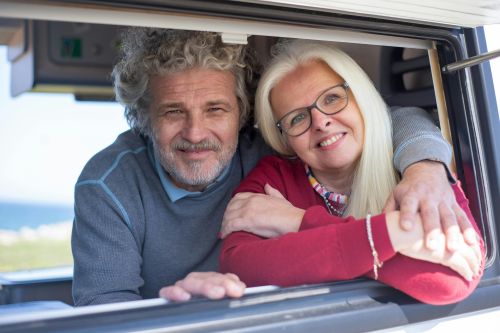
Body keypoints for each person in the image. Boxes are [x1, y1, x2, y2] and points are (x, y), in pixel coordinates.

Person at [71, 27, 475, 306]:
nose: (195, 133)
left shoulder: (272, 148)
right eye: (173, 112)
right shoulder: (109, 185)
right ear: (144, 119)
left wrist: (426, 166)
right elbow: (105, 313)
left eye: (215, 109)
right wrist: (400, 234)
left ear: (241, 115)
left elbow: (388, 120)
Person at [218, 40, 485, 305]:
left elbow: (452, 280)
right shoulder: (273, 179)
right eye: (297, 118)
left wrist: (297, 222)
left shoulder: (420, 171)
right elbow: (240, 266)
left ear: (361, 97)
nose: (320, 122)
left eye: (332, 98)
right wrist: (395, 233)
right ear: (284, 138)